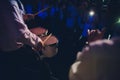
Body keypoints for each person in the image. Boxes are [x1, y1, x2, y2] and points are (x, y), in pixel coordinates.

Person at [0, 0, 57, 80]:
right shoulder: (8, 3)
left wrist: (23, 17)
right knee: (41, 68)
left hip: (9, 48)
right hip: (12, 50)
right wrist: (37, 41)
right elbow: (19, 32)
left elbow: (10, 19)